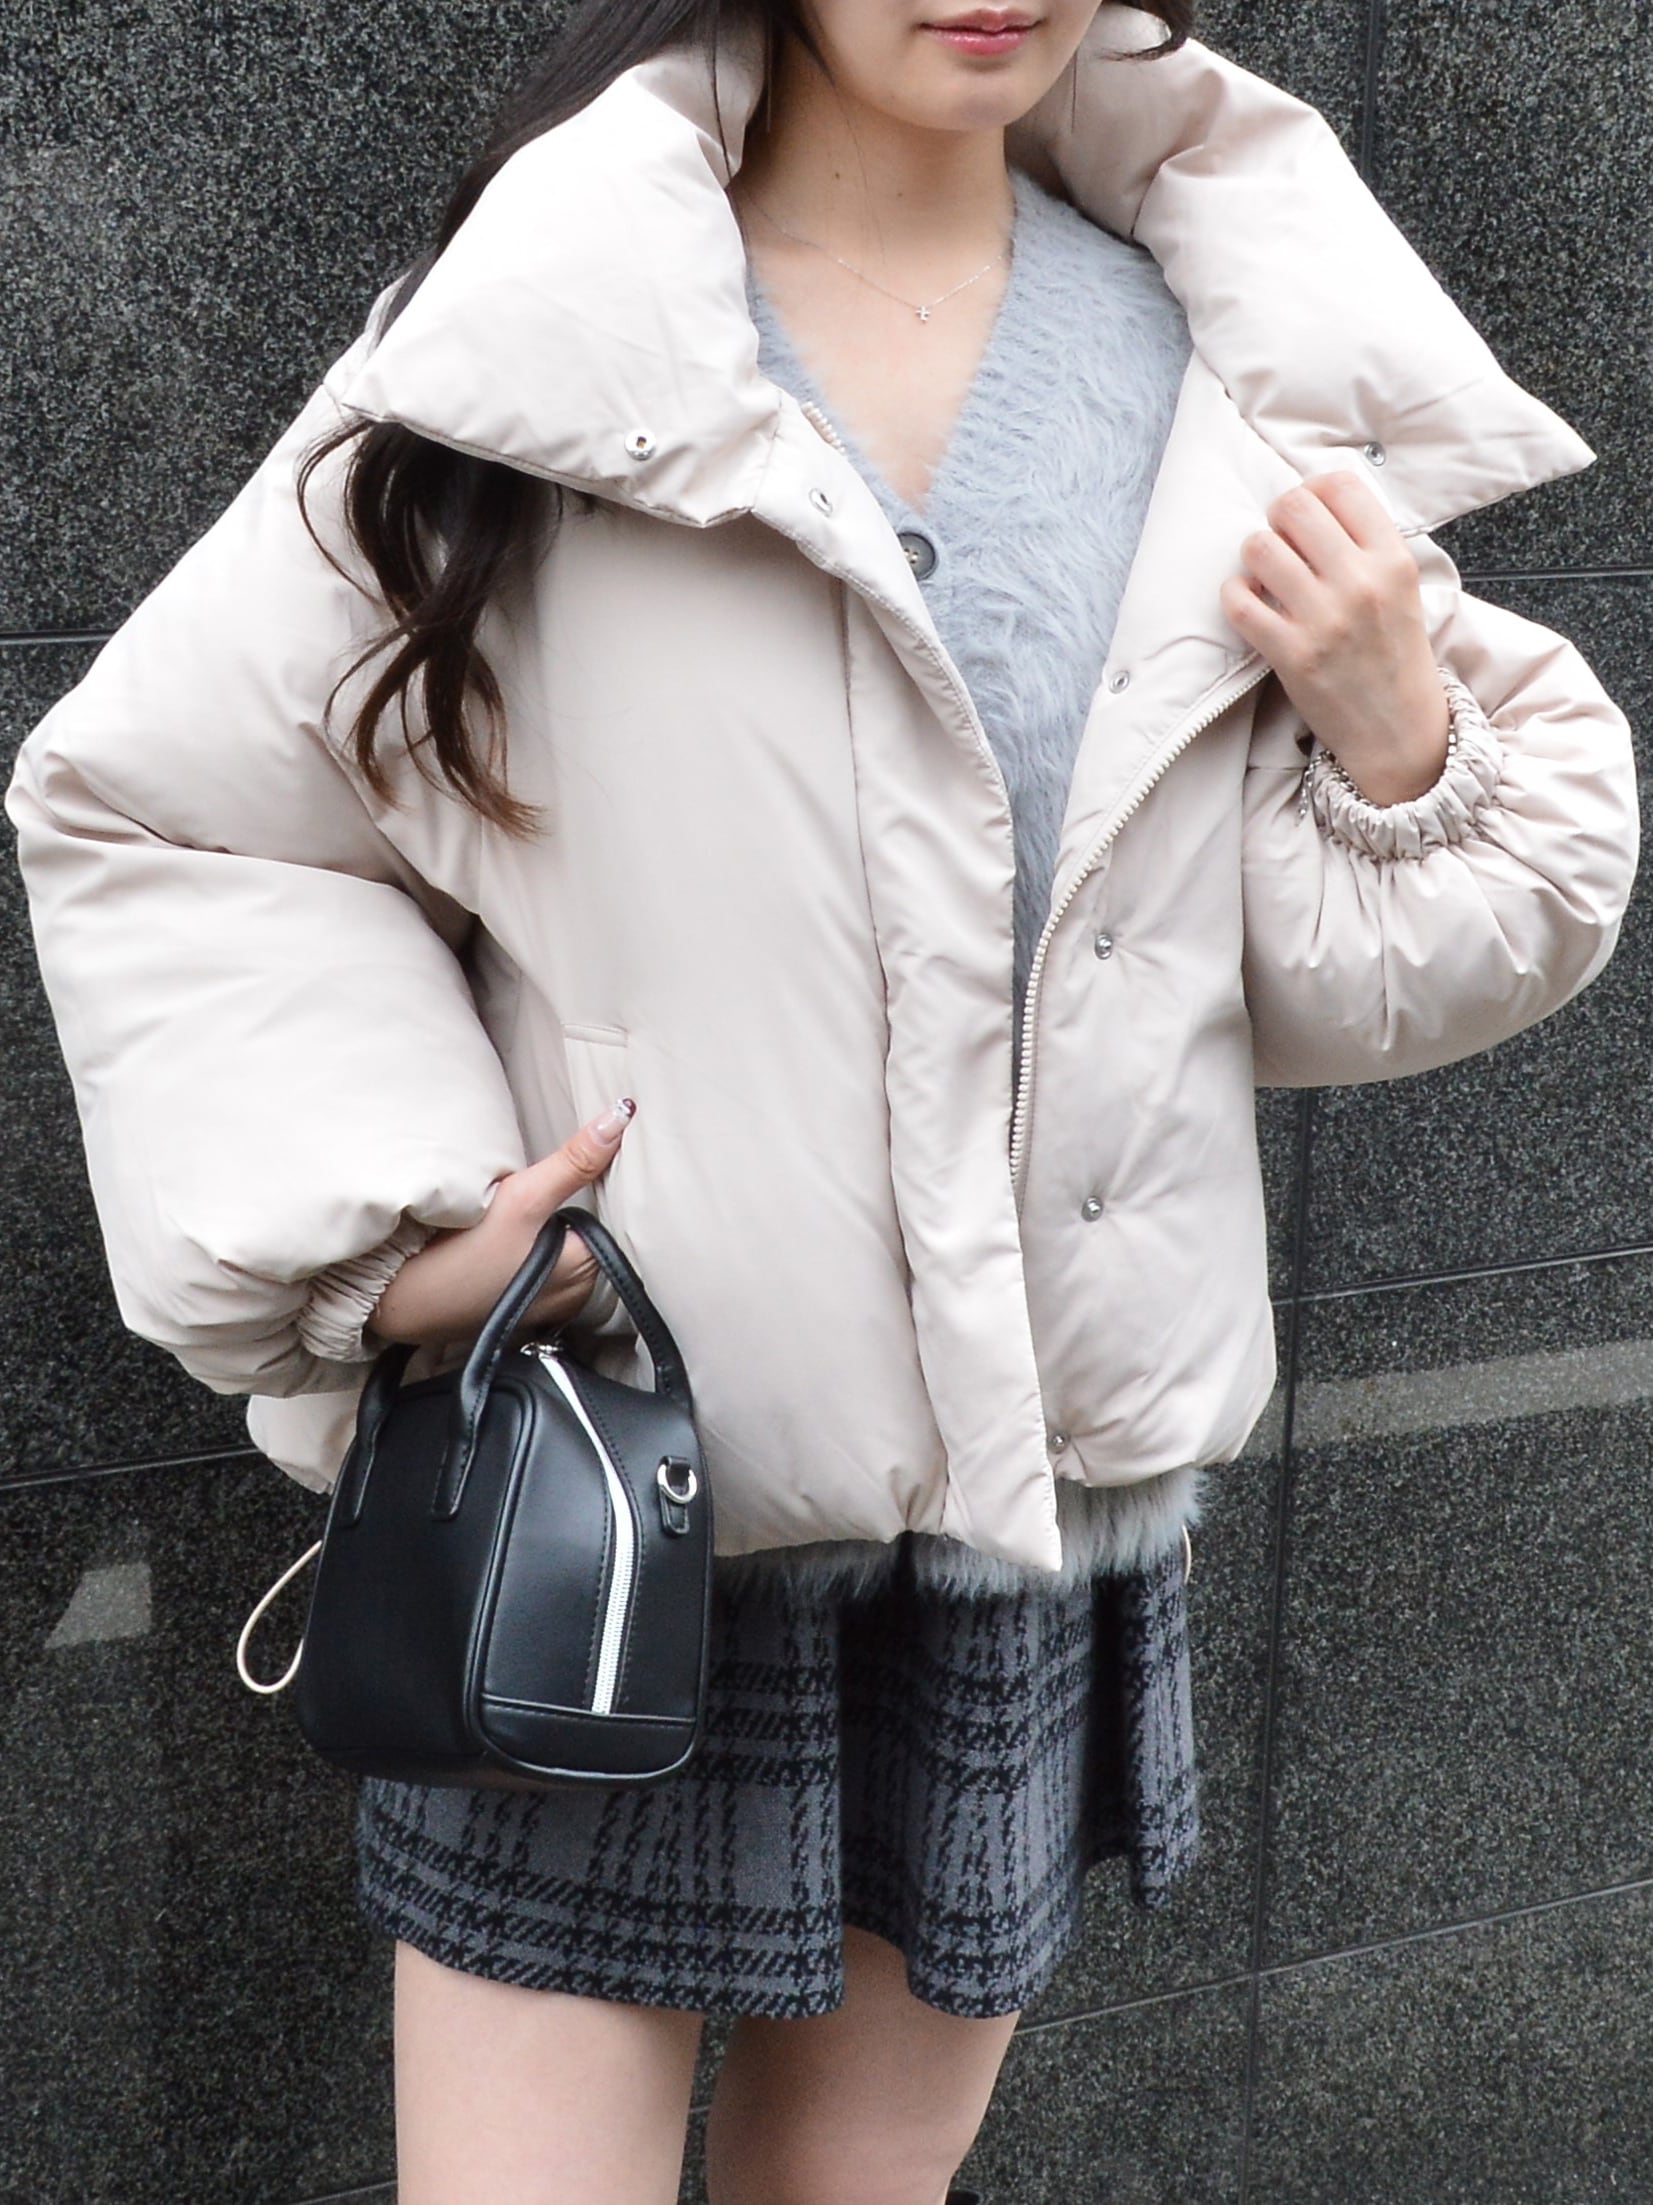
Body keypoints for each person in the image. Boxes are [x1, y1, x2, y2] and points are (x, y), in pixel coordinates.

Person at [8, 2, 1638, 2199]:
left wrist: (1396, 735)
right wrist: (394, 1227)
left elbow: (1318, 962)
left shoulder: (1222, 352)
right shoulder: (566, 319)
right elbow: (170, 806)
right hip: (610, 1474)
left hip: (1022, 1507)